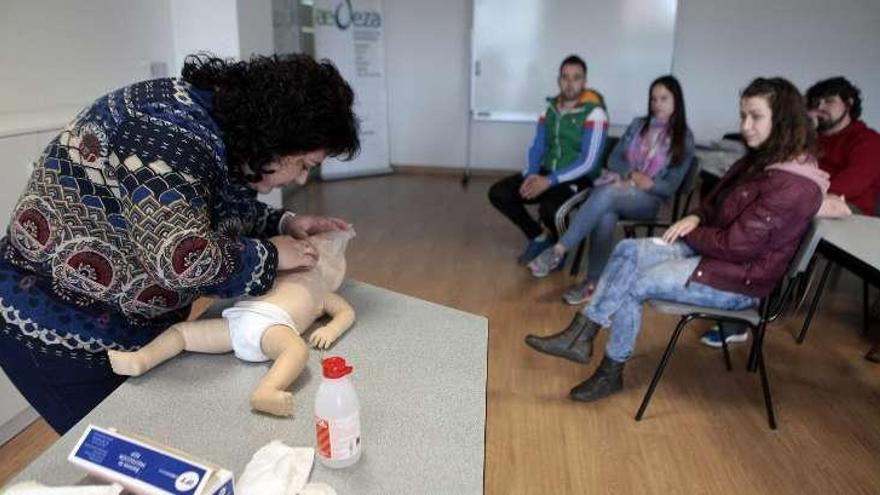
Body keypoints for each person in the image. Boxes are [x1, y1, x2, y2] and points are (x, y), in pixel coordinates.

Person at [0, 53, 360, 433]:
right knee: (120, 456)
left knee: (156, 441)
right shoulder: (165, 129)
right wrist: (272, 254)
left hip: (130, 322)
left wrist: (285, 222)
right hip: (54, 326)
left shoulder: (225, 134)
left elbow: (212, 208)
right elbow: (179, 259)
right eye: (303, 164)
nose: (302, 180)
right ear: (278, 137)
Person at [524, 77, 828, 403]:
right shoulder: (759, 160)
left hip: (737, 281)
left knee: (635, 283)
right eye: (743, 116)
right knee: (627, 249)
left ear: (782, 120)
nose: (745, 126)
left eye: (755, 116)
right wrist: (696, 216)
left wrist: (692, 232)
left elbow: (737, 246)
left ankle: (609, 371)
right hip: (714, 256)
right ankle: (581, 334)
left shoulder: (793, 185)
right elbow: (713, 202)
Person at [700, 76, 880, 348]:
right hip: (812, 199)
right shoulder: (812, 136)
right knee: (757, 212)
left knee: (778, 221)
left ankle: (748, 306)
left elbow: (854, 182)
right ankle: (736, 298)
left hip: (847, 208)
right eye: (816, 102)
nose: (821, 107)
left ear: (849, 104)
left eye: (829, 102)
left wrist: (804, 195)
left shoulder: (868, 140)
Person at [527, 76, 695, 307]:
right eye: (654, 99)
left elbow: (671, 186)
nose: (657, 104)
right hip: (621, 188)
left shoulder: (683, 138)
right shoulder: (638, 125)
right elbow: (614, 159)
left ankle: (558, 249)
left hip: (650, 200)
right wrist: (631, 175)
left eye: (663, 99)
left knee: (605, 193)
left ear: (677, 101)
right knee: (606, 213)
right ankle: (592, 284)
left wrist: (648, 184)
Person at [488, 55, 609, 265]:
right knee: (500, 193)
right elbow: (537, 147)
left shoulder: (595, 113)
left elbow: (588, 162)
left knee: (551, 211)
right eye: (565, 77)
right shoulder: (549, 109)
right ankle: (539, 237)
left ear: (585, 82)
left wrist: (549, 181)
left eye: (576, 78)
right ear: (558, 80)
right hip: (547, 172)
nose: (570, 83)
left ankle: (558, 251)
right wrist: (531, 175)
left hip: (579, 179)